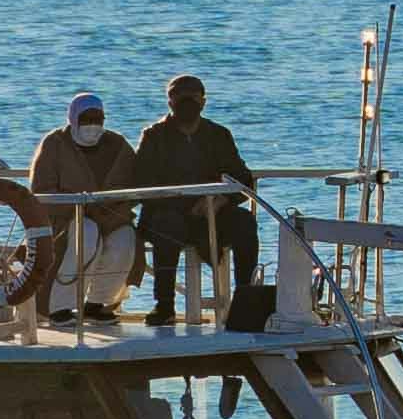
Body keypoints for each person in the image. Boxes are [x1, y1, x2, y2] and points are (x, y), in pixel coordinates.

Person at [130, 75, 254, 325]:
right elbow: (141, 185)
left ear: (203, 101)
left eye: (193, 97)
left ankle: (246, 299)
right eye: (180, 96)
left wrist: (220, 200)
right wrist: (184, 204)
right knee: (167, 225)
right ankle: (164, 306)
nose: (186, 102)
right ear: (170, 101)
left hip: (213, 212)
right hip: (166, 212)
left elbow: (243, 180)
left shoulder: (219, 135)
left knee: (245, 223)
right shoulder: (154, 136)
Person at [24, 89, 137, 320]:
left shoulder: (118, 144)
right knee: (86, 233)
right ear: (73, 119)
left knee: (124, 239)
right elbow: (41, 191)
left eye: (97, 120)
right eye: (86, 120)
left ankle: (98, 302)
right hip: (65, 219)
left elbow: (134, 187)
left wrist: (115, 211)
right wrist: (77, 206)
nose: (92, 126)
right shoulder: (54, 144)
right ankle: (60, 306)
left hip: (111, 217)